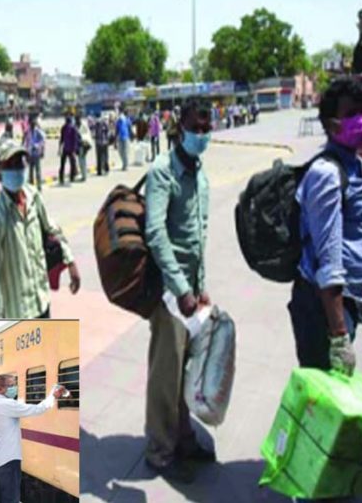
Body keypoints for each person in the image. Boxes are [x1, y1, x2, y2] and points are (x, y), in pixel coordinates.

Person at [144, 99, 215, 484]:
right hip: (170, 294)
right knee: (165, 373)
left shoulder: (200, 174)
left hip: (192, 294)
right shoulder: (162, 172)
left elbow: (198, 236)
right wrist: (183, 288)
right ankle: (159, 450)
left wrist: (200, 288)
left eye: (207, 128)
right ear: (179, 129)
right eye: (196, 128)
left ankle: (183, 437)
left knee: (189, 370)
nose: (202, 135)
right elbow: (156, 234)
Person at [290, 78, 362, 378]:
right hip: (322, 309)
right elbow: (328, 259)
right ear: (331, 123)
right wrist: (339, 335)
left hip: (343, 302)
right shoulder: (327, 174)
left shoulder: (357, 166)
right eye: (352, 114)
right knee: (321, 406)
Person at [0, 140, 81, 319]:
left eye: (20, 162)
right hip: (19, 313)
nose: (17, 168)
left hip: (41, 301)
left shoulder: (33, 196)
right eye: (10, 164)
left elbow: (52, 230)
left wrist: (71, 262)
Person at [0, 375, 68, 503]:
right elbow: (37, 409)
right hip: (7, 460)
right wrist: (53, 396)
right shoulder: (7, 404)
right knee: (10, 498)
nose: (15, 388)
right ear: (0, 388)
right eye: (11, 385)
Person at [23, 117, 46, 191]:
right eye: (31, 124)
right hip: (30, 154)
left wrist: (39, 148)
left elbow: (43, 141)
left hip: (36, 154)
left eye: (33, 124)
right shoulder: (27, 132)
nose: (32, 125)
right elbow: (25, 143)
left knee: (38, 171)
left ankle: (39, 187)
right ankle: (31, 187)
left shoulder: (38, 131)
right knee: (30, 172)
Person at [58, 115, 79, 185]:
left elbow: (61, 139)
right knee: (72, 163)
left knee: (62, 164)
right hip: (71, 149)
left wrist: (59, 148)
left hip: (65, 148)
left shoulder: (63, 127)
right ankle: (72, 177)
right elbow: (75, 139)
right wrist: (75, 149)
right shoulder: (73, 128)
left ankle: (61, 178)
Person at [76, 116, 92, 182]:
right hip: (79, 145)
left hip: (84, 144)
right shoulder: (75, 125)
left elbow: (88, 133)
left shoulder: (84, 125)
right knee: (81, 161)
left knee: (82, 161)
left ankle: (84, 176)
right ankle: (83, 175)